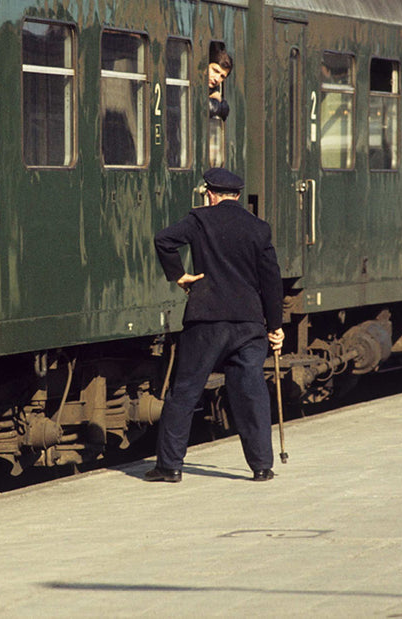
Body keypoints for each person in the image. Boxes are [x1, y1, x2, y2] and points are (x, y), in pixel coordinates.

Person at [146, 167, 284, 483]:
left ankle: (170, 466)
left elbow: (164, 240)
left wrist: (179, 275)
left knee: (185, 390)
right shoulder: (259, 228)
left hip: (206, 320)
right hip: (249, 323)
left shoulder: (200, 220)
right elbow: (271, 280)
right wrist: (275, 326)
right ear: (236, 195)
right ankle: (262, 466)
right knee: (251, 391)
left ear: (210, 194)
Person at [207, 44, 233, 121]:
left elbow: (226, 109)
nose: (217, 79)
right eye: (215, 71)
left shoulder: (214, 91)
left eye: (222, 76)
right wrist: (216, 101)